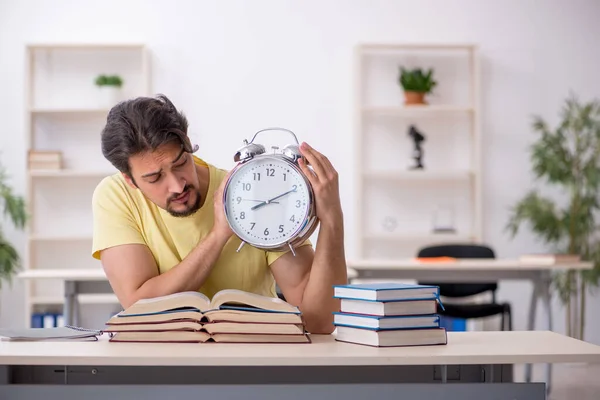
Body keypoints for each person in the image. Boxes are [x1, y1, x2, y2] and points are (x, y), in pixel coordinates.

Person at [91, 94, 347, 334]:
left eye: (180, 163)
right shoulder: (116, 196)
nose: (177, 185)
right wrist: (219, 233)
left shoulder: (249, 189)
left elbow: (319, 320)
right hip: (165, 363)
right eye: (155, 178)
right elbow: (138, 306)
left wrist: (332, 219)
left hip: (252, 357)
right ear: (130, 180)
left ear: (189, 146)